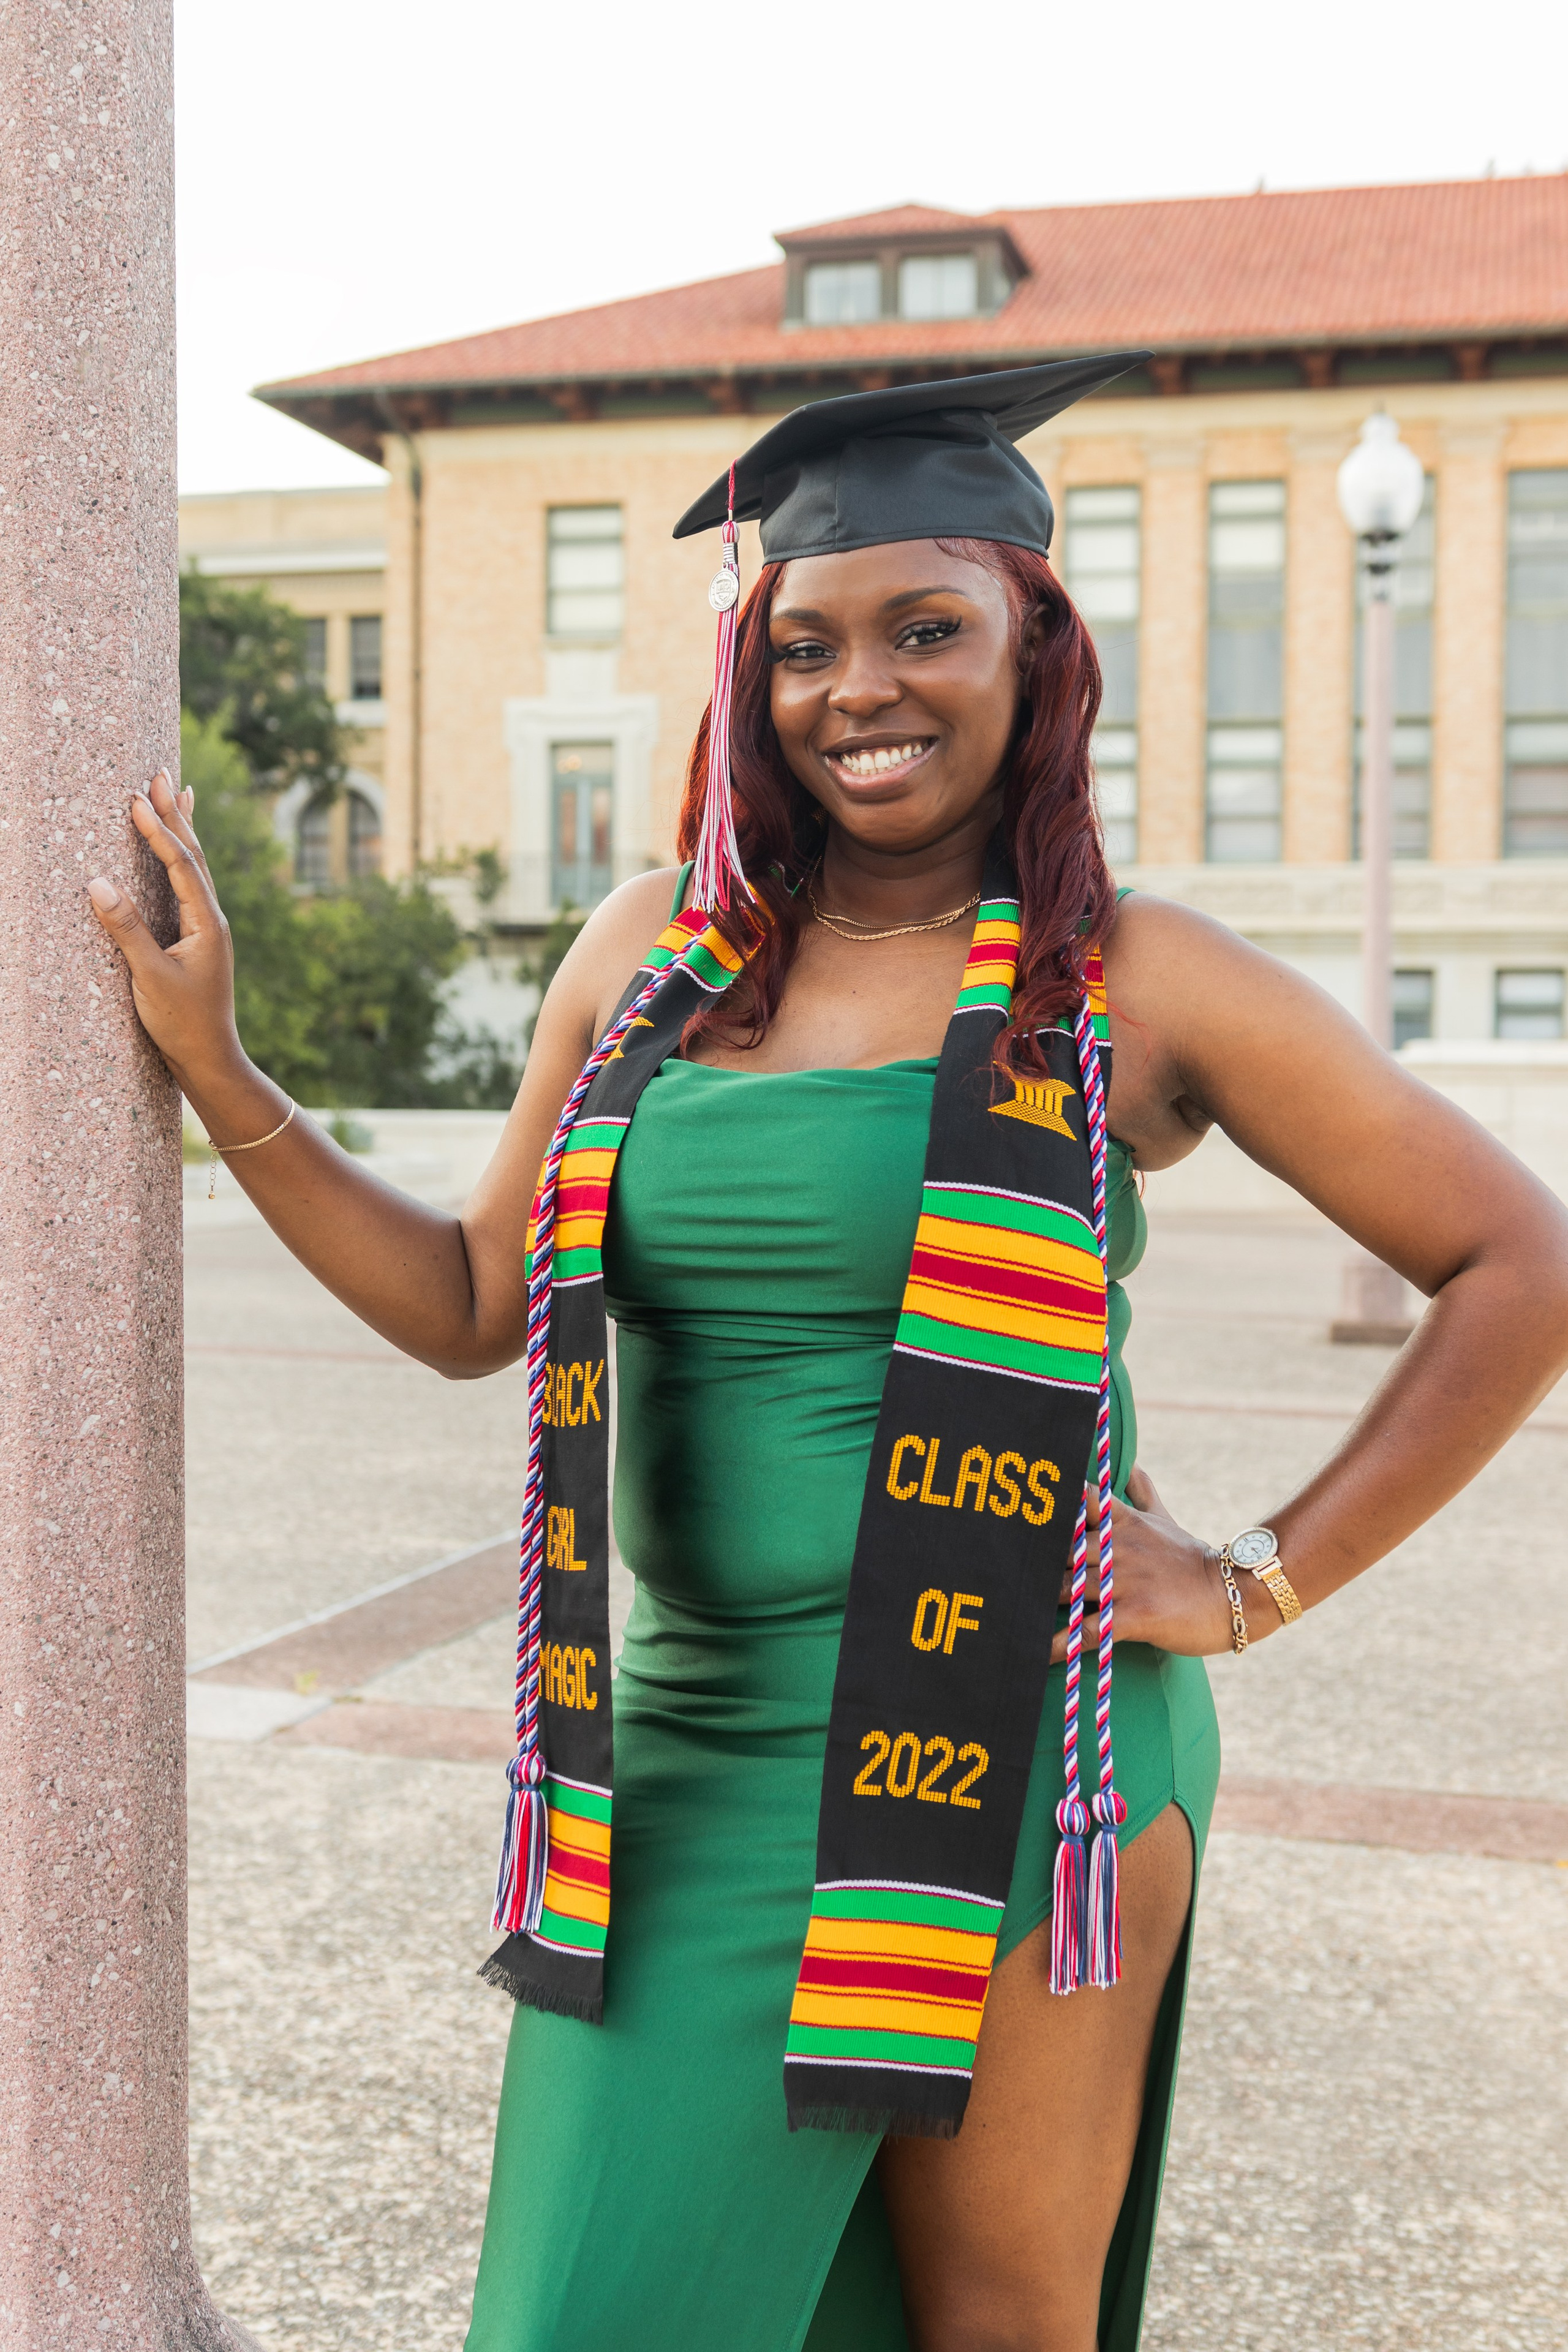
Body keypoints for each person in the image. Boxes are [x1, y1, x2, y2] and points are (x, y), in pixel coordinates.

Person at [89, 359, 1568, 2352]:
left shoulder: (1131, 976)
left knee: (994, 2317)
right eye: (805, 647)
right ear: (753, 681)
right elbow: (464, 1302)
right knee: (592, 2313)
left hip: (1014, 1748)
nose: (859, 688)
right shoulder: (647, 960)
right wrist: (226, 1071)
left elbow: (1516, 1260)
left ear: (1035, 649)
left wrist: (1256, 1581)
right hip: (684, 1769)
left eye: (924, 629)